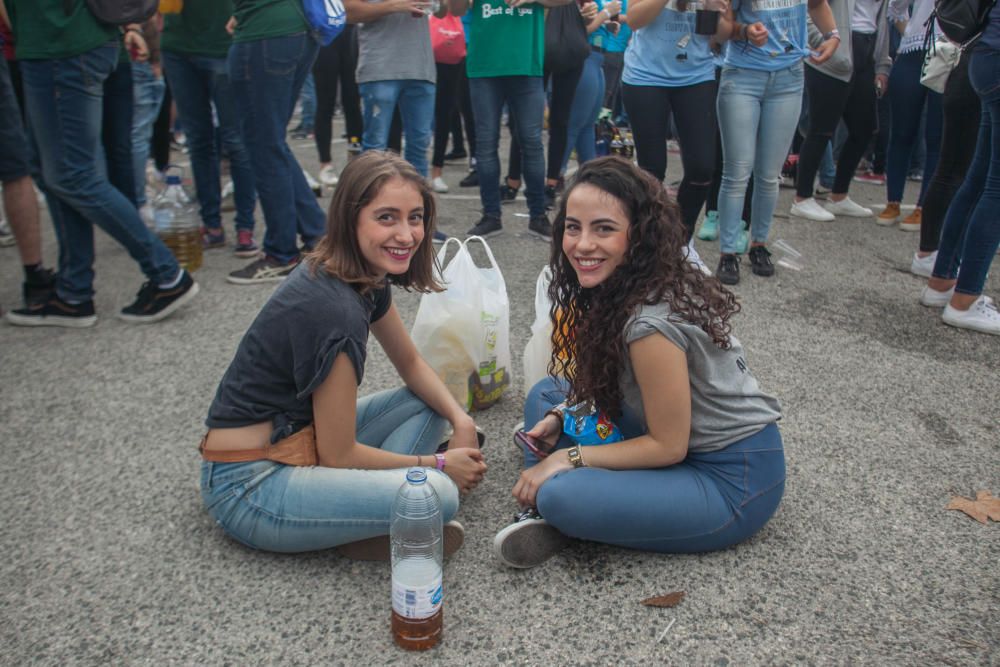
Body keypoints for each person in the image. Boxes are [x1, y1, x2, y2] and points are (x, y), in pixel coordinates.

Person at [493, 156, 784, 568]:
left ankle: (548, 502)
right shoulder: (626, 281)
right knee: (548, 395)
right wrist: (562, 416)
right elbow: (611, 386)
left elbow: (668, 446)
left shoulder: (649, 324)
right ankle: (553, 492)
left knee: (561, 494)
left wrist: (568, 457)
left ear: (639, 235)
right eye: (573, 227)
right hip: (671, 438)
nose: (582, 244)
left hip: (730, 480)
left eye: (604, 229)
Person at [199, 152, 487, 555]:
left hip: (299, 443)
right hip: (248, 485)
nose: (406, 235)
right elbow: (339, 453)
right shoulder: (334, 311)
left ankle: (360, 511)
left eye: (415, 217)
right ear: (350, 219)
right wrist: (439, 465)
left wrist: (462, 420)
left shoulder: (362, 272)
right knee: (439, 494)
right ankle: (359, 521)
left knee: (429, 401)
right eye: (386, 217)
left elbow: (411, 363)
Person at [4, 0, 198, 328]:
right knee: (55, 172)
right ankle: (73, 292)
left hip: (60, 44)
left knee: (71, 175)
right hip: (62, 43)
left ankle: (166, 274)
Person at [713, 0, 840, 284]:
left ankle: (759, 244)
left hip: (789, 78)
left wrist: (833, 36)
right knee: (737, 171)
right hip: (742, 76)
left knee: (770, 174)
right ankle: (728, 251)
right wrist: (744, 30)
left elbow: (818, 5)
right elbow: (719, 31)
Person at [450, 0, 572, 240]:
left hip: (525, 65)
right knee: (486, 143)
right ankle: (491, 216)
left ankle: (537, 216)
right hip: (485, 66)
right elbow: (456, 10)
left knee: (532, 142)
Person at [225, 0, 327, 284]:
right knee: (271, 142)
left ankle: (281, 253)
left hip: (265, 32)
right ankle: (318, 234)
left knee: (263, 145)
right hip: (298, 28)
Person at [918, 2, 1000, 335]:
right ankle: (965, 300)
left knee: (979, 179)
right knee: (994, 187)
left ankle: (943, 283)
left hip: (985, 55)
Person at [161, 0, 259, 257]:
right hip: (177, 44)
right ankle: (212, 225)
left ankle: (245, 227)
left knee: (236, 141)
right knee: (198, 141)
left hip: (222, 42)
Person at [788, 0, 891, 222]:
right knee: (821, 129)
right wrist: (823, 41)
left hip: (866, 50)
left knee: (864, 128)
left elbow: (881, 21)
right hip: (833, 54)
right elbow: (807, 8)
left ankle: (839, 195)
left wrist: (883, 64)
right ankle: (802, 197)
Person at [345, 0, 438, 178]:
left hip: (420, 67)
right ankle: (372, 201)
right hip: (380, 67)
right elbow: (348, 13)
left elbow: (441, 11)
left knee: (419, 147)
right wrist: (393, 6)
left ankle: (419, 203)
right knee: (375, 149)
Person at [875, 0, 942, 230]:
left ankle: (925, 207)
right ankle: (893, 200)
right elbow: (896, 7)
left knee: (936, 136)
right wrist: (910, 31)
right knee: (902, 132)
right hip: (912, 51)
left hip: (948, 53)